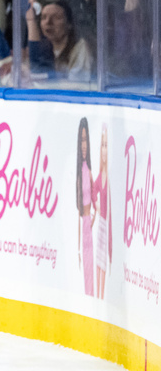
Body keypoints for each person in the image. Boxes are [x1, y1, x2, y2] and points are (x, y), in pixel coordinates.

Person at [92, 124, 111, 300]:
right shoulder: (99, 177)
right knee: (98, 262)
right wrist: (96, 205)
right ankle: (98, 300)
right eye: (102, 146)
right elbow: (92, 190)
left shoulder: (109, 178)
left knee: (103, 264)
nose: (104, 150)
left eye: (107, 145)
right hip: (101, 227)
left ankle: (101, 299)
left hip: (107, 227)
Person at [76, 117, 93, 297]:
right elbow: (78, 214)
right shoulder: (80, 174)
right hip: (84, 228)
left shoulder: (89, 171)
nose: (83, 145)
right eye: (81, 140)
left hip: (90, 228)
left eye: (85, 140)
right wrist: (78, 249)